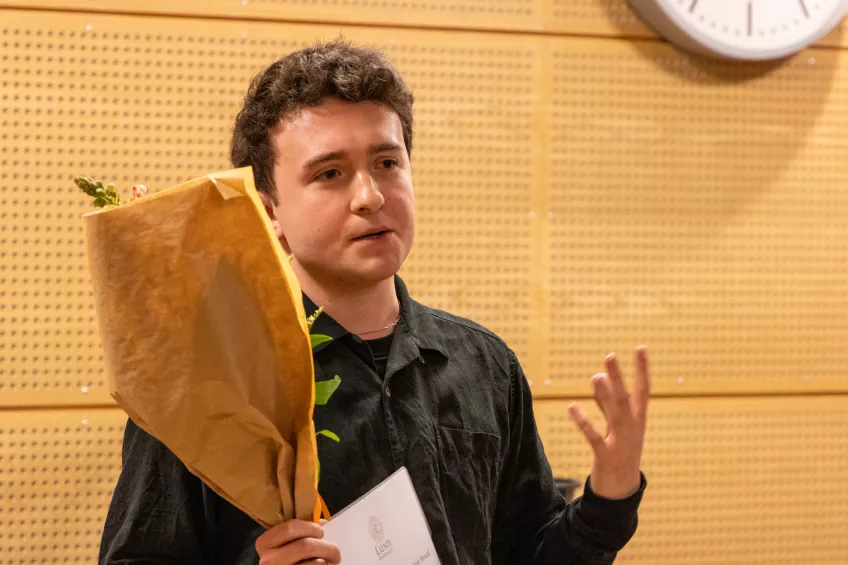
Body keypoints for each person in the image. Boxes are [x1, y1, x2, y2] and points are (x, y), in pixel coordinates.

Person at [99, 39, 650, 565]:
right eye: (330, 173)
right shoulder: (209, 382)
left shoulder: (485, 365)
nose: (371, 196)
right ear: (269, 214)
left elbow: (527, 554)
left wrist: (610, 495)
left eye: (388, 162)